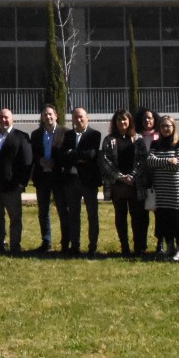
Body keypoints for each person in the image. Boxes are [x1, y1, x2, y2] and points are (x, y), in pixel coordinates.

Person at [0, 108, 32, 253]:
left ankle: (15, 245)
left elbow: (27, 161)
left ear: (12, 120)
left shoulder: (21, 137)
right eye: (1, 117)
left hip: (12, 185)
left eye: (6, 118)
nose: (3, 120)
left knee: (15, 217)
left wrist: (21, 183)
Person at [56, 106, 102, 256]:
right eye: (76, 117)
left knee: (92, 214)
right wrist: (78, 157)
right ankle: (74, 246)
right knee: (73, 215)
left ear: (87, 118)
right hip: (71, 180)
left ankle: (92, 247)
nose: (79, 119)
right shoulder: (68, 135)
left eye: (81, 116)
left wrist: (73, 154)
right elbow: (62, 156)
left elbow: (91, 155)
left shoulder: (94, 134)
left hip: (88, 181)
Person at [100, 110, 146, 258]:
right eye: (119, 120)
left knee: (136, 217)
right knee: (120, 217)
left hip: (135, 184)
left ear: (130, 121)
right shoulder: (109, 140)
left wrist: (132, 176)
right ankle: (124, 247)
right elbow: (106, 162)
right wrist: (121, 177)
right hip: (117, 185)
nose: (122, 123)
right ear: (115, 122)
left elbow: (142, 160)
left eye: (125, 120)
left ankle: (138, 248)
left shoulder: (138, 138)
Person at [146, 115, 179, 261]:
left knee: (178, 217)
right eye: (163, 126)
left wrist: (161, 162)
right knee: (165, 217)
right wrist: (168, 160)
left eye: (168, 126)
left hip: (176, 188)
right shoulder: (155, 144)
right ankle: (169, 246)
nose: (165, 129)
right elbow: (150, 161)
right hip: (161, 188)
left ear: (173, 127)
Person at [29, 104, 65, 253]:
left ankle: (66, 241)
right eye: (45, 115)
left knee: (62, 210)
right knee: (43, 211)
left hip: (58, 176)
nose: (48, 117)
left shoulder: (65, 132)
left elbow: (65, 153)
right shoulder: (36, 134)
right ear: (42, 118)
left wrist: (54, 163)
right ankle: (46, 241)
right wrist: (41, 161)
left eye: (50, 114)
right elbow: (34, 154)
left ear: (56, 115)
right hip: (42, 176)